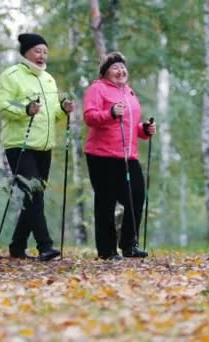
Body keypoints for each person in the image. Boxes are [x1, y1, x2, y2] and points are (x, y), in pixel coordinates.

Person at [0, 33, 74, 261]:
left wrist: (63, 109)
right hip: (20, 144)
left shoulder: (48, 79)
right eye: (38, 51)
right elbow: (0, 105)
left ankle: (17, 247)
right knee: (34, 193)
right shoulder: (11, 75)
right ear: (26, 52)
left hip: (44, 146)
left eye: (45, 52)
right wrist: (24, 110)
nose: (42, 55)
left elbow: (51, 115)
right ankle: (45, 245)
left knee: (33, 197)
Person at [82, 52, 156, 260]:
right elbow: (90, 117)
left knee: (136, 195)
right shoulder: (97, 89)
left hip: (127, 155)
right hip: (102, 156)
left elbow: (130, 125)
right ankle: (107, 250)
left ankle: (129, 244)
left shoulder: (129, 92)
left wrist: (144, 129)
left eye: (123, 67)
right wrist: (110, 114)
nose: (120, 71)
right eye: (115, 68)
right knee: (106, 201)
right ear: (105, 72)